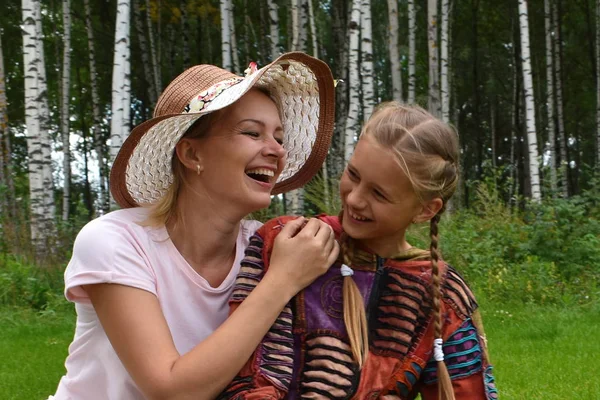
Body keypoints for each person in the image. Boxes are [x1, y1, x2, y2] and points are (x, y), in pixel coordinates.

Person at [50, 52, 340, 400]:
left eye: (279, 137)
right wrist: (283, 280)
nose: (277, 150)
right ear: (191, 155)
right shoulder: (115, 242)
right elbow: (170, 389)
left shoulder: (265, 247)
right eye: (252, 132)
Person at [220, 103, 498, 400]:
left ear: (425, 209)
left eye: (379, 194)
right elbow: (245, 371)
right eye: (353, 174)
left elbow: (464, 390)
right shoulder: (286, 241)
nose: (354, 198)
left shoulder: (442, 294)